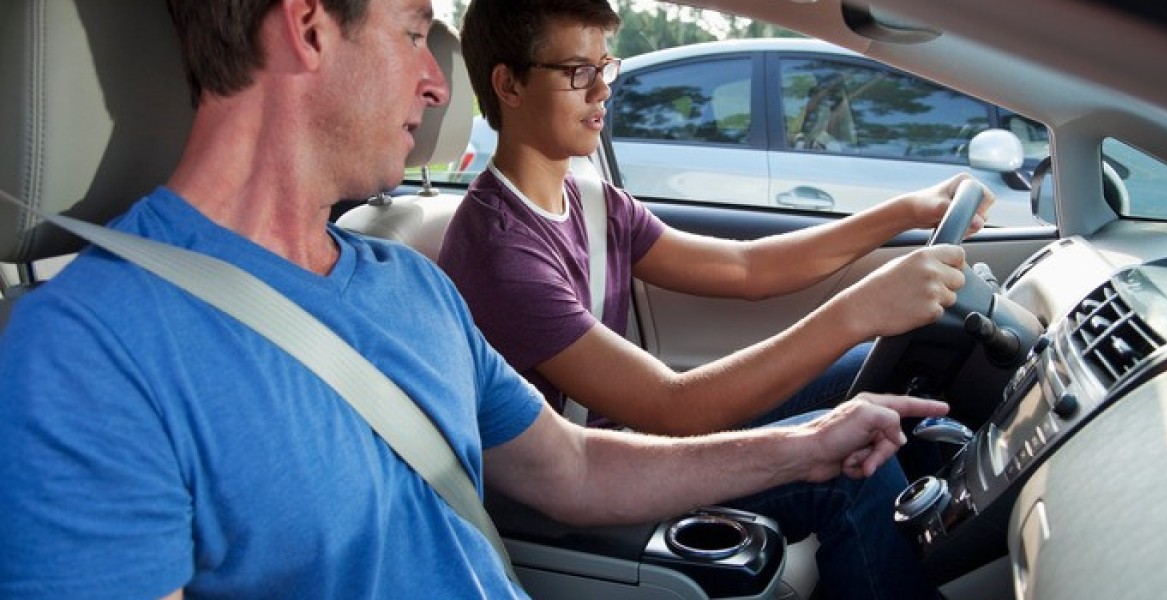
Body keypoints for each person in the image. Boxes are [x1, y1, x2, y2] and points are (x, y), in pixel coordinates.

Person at [0, 0, 948, 599]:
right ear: (307, 25)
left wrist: (809, 443)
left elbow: (570, 468)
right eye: (416, 30)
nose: (432, 78)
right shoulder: (86, 352)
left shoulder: (408, 284)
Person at [441, 1, 994, 438]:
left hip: (628, 440)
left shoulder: (590, 198)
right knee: (849, 468)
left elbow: (745, 268)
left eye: (604, 66)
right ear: (509, 84)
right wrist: (859, 310)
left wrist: (906, 211)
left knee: (867, 370)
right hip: (589, 475)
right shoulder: (500, 253)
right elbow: (671, 407)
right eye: (578, 71)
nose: (603, 87)